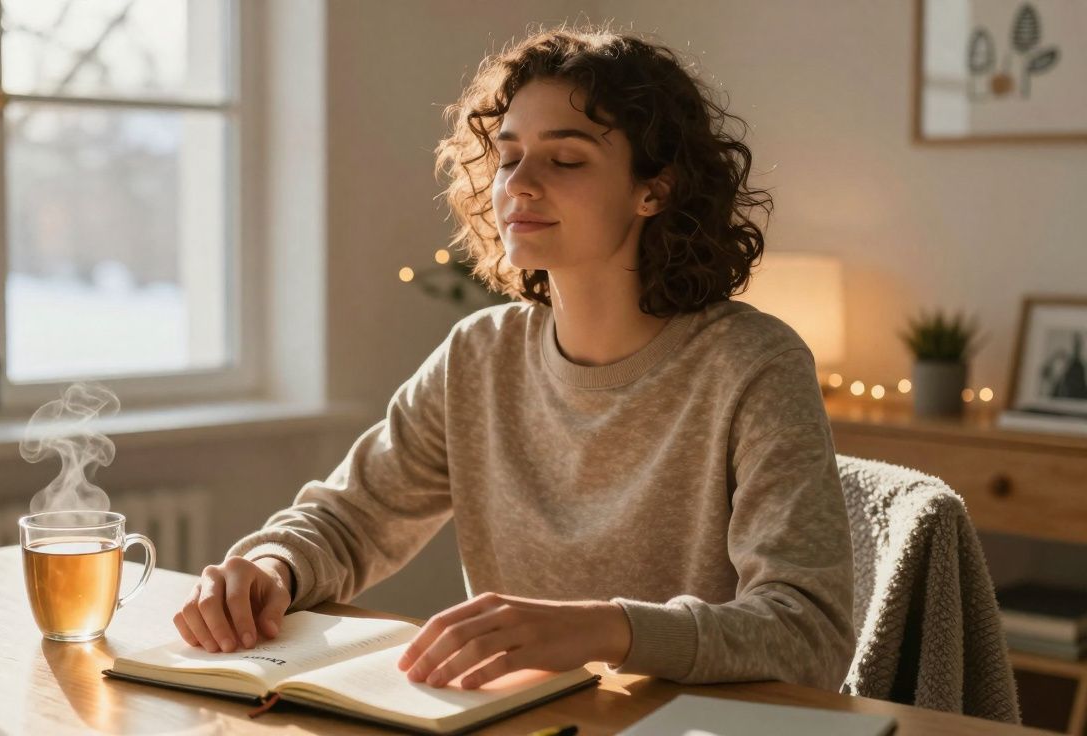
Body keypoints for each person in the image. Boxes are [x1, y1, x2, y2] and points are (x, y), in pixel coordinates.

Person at [173, 26, 856, 692]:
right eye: (507, 157)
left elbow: (807, 634)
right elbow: (351, 518)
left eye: (565, 160)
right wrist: (271, 565)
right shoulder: (479, 354)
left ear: (656, 190)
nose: (519, 185)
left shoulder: (753, 365)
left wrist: (605, 630)